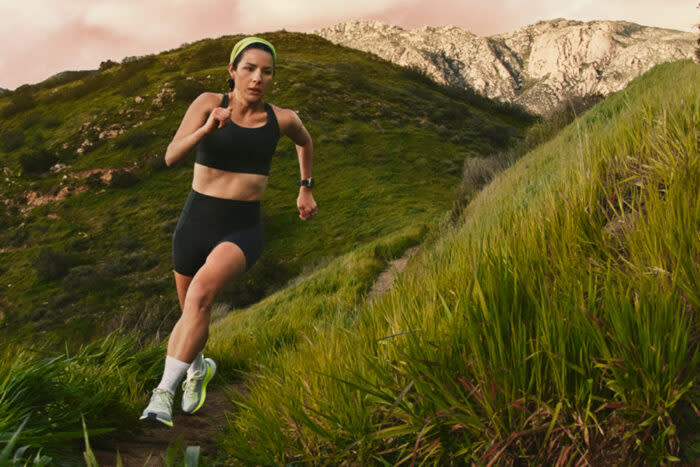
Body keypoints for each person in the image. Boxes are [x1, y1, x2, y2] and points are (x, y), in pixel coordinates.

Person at [141, 37, 317, 426]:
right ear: (232, 70)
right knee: (190, 311)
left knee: (201, 296)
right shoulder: (208, 103)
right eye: (249, 68)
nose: (257, 78)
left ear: (272, 77)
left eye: (266, 71)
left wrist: (305, 187)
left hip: (242, 229)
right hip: (194, 224)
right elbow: (171, 156)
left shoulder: (282, 119)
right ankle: (198, 369)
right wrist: (207, 128)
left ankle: (162, 395)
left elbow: (305, 142)